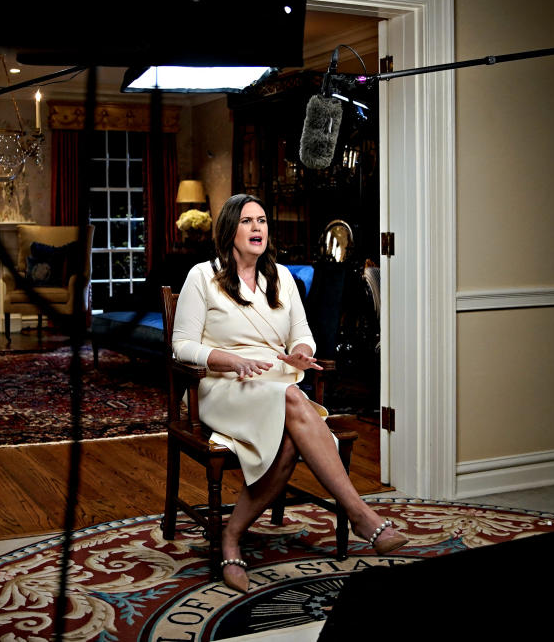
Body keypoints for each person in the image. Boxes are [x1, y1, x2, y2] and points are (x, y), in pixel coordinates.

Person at [170, 193, 408, 593]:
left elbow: (303, 335)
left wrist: (302, 352)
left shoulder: (282, 277)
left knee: (287, 439)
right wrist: (228, 360)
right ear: (229, 229)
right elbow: (181, 346)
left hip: (274, 384)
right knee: (295, 401)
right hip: (221, 387)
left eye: (262, 220)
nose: (257, 228)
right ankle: (362, 516)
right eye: (247, 221)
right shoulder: (202, 276)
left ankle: (230, 538)